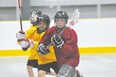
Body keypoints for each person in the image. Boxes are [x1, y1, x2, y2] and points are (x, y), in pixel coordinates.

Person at [37, 11, 82, 77]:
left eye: (62, 20)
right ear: (55, 21)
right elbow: (43, 41)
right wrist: (41, 47)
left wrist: (61, 45)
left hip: (71, 60)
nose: (60, 22)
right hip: (60, 60)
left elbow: (71, 51)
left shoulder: (71, 32)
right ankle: (76, 75)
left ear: (65, 21)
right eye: (58, 20)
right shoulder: (52, 30)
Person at [16, 10, 59, 77]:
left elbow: (42, 43)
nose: (41, 25)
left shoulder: (48, 33)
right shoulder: (34, 30)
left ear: (47, 25)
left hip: (50, 57)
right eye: (40, 23)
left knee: (45, 71)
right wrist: (21, 40)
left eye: (44, 24)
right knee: (39, 72)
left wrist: (30, 43)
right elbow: (26, 39)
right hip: (39, 56)